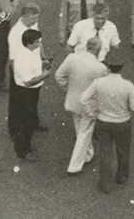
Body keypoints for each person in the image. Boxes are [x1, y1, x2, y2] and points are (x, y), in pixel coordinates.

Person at [80, 51, 134, 193]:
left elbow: (83, 99)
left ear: (107, 66)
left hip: (103, 121)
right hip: (123, 122)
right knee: (123, 150)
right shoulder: (128, 85)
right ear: (122, 67)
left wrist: (92, 112)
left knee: (105, 152)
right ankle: (121, 176)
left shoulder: (98, 83)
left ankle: (105, 184)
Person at [54, 36, 108, 174]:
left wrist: (67, 89)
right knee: (84, 132)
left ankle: (88, 154)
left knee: (80, 128)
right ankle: (74, 166)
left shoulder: (72, 58)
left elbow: (59, 76)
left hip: (72, 100)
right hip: (89, 105)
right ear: (98, 50)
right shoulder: (100, 68)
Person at [9, 28, 50, 161]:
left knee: (29, 117)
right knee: (24, 122)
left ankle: (25, 143)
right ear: (30, 43)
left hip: (32, 92)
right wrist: (44, 75)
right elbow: (28, 82)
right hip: (26, 92)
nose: (39, 44)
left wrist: (42, 64)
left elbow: (34, 66)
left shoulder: (29, 51)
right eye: (37, 42)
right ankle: (23, 150)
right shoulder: (23, 59)